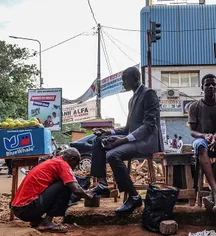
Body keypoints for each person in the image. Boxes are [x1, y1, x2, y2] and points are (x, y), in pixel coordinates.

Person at [91, 66, 164, 215]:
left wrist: (123, 140)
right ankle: (103, 183)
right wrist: (109, 132)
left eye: (125, 79)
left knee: (112, 155)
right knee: (99, 141)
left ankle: (134, 196)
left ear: (136, 79)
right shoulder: (132, 100)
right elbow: (127, 129)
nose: (122, 83)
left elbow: (149, 126)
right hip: (134, 139)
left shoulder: (149, 94)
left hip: (147, 142)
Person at [12, 148, 93, 233]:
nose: (74, 167)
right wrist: (88, 195)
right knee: (64, 186)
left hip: (19, 209)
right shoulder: (62, 164)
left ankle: (37, 220)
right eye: (75, 163)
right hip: (26, 209)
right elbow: (76, 189)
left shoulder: (56, 161)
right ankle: (46, 223)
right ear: (71, 159)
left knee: (60, 184)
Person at [188, 74, 216, 212]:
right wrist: (204, 135)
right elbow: (192, 132)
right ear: (202, 88)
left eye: (213, 84)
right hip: (200, 137)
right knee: (200, 145)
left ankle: (214, 192)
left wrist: (213, 136)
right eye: (207, 84)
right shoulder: (194, 106)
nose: (210, 87)